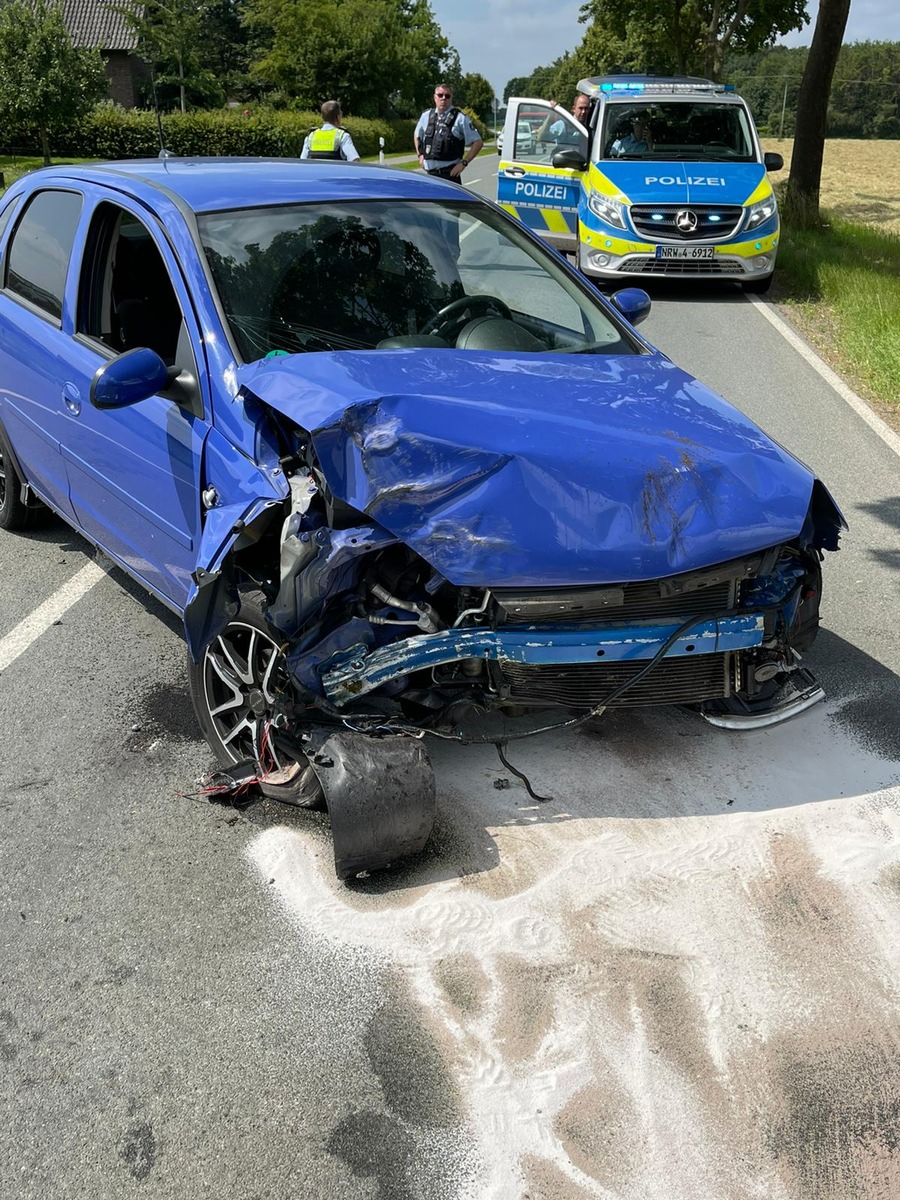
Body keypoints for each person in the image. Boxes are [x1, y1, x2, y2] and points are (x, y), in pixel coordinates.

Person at [414, 84, 483, 182]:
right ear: (435, 97)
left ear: (451, 98)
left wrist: (464, 163)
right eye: (440, 95)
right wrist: (420, 155)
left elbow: (478, 142)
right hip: (430, 175)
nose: (443, 98)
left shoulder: (460, 118)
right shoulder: (426, 116)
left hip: (449, 176)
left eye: (447, 96)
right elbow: (417, 135)